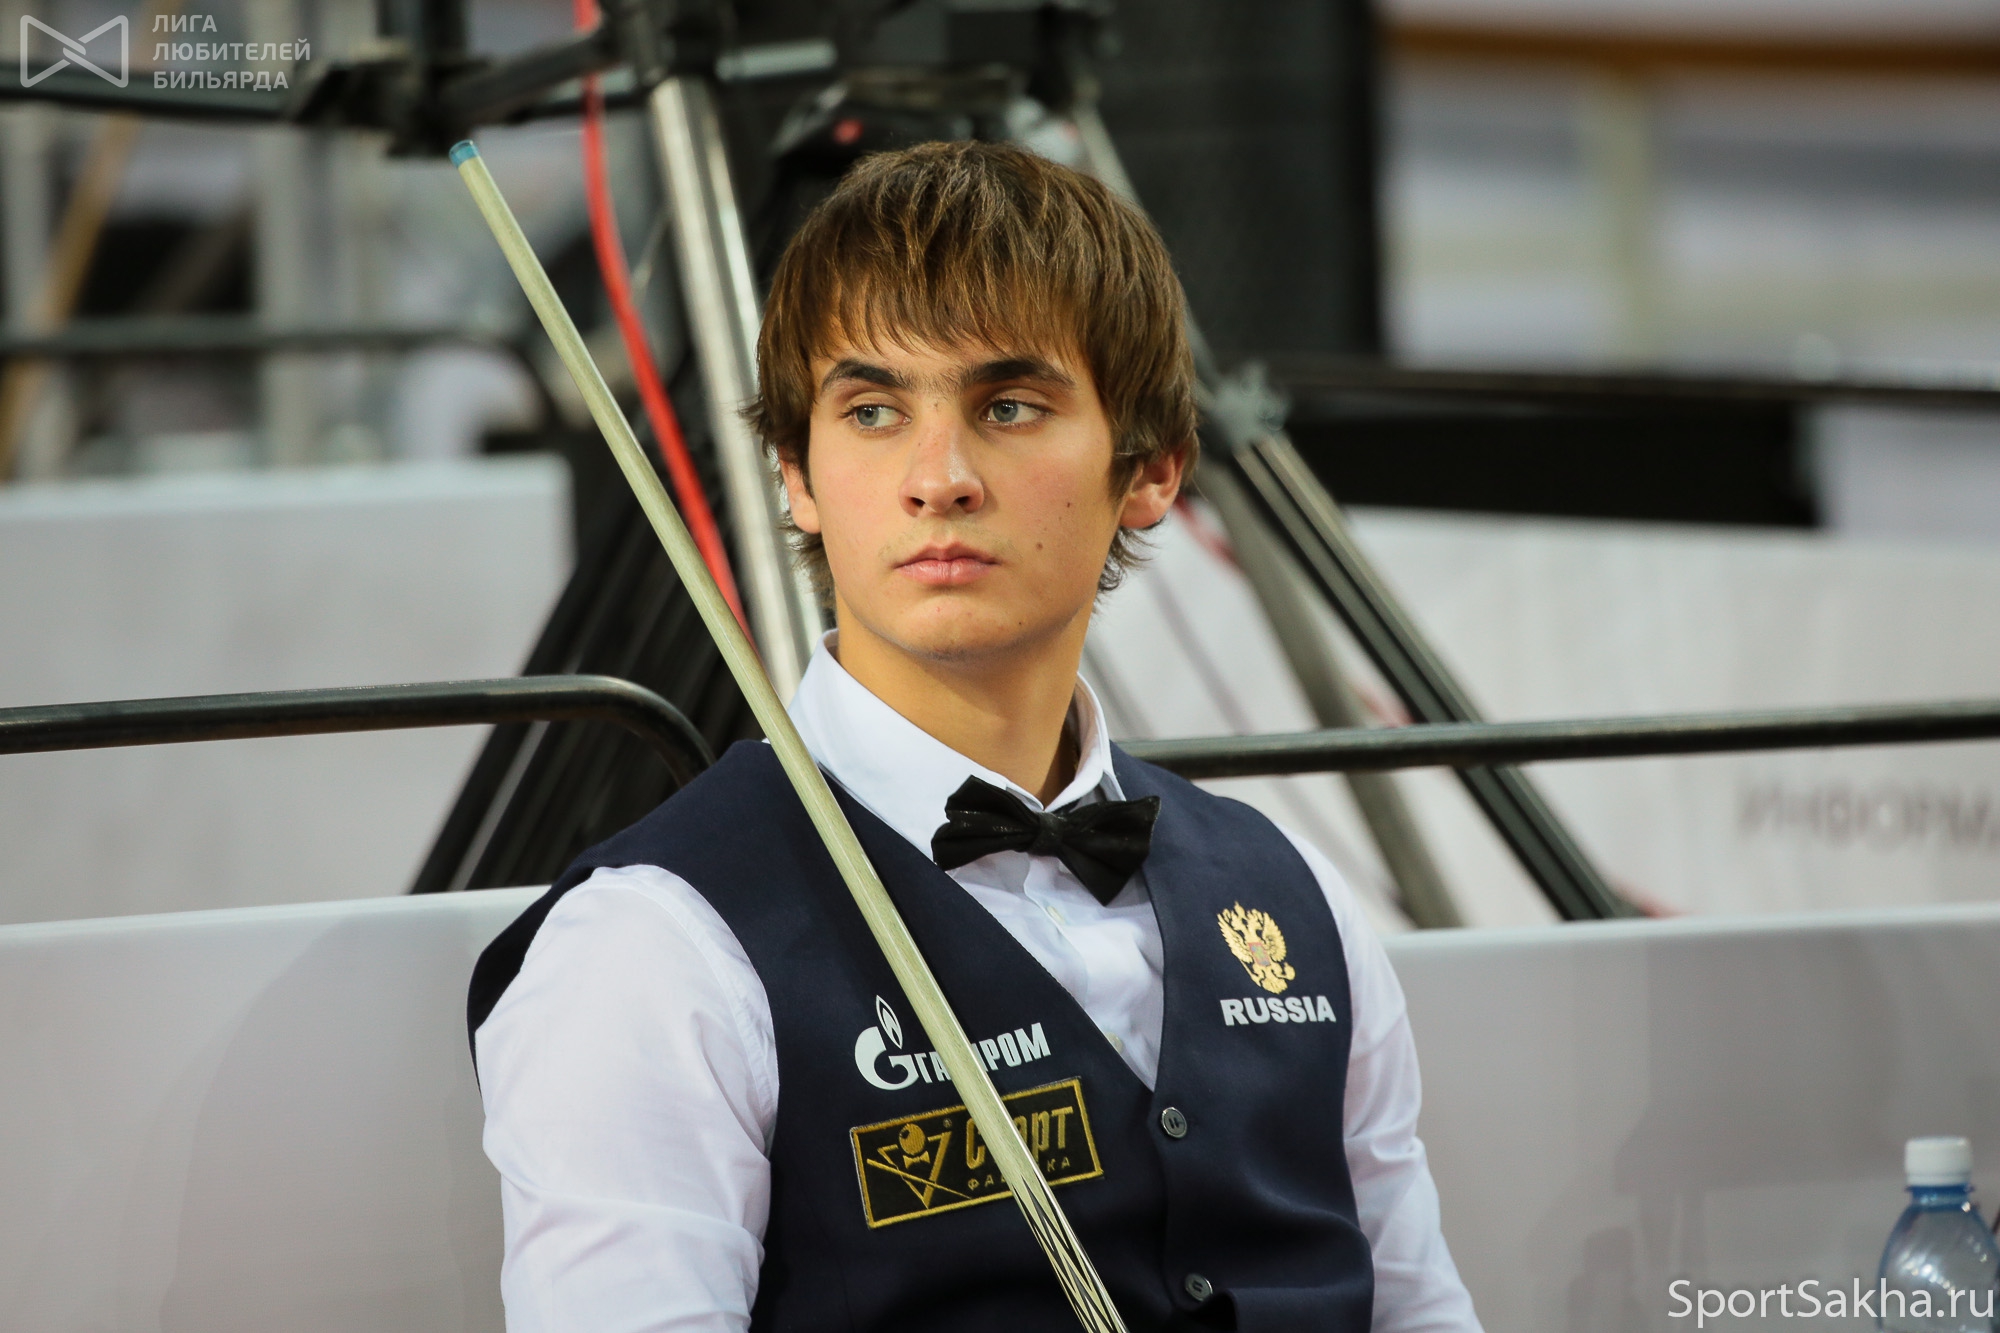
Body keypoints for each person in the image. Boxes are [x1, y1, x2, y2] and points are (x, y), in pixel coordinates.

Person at [469, 140, 1483, 1333]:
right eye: (872, 412)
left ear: (1151, 467)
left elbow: (1417, 1309)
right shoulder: (652, 949)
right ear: (796, 476)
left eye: (1007, 407)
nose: (938, 476)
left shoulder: (1292, 893)